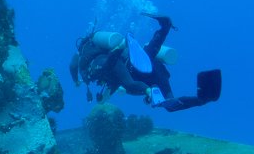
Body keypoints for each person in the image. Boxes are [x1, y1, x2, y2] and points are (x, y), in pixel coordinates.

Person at [70, 13, 221, 113]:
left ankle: (150, 89)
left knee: (134, 74)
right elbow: (115, 82)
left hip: (138, 72)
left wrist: (77, 81)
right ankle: (204, 98)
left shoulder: (89, 57)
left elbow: (76, 66)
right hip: (158, 70)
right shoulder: (110, 64)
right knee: (169, 103)